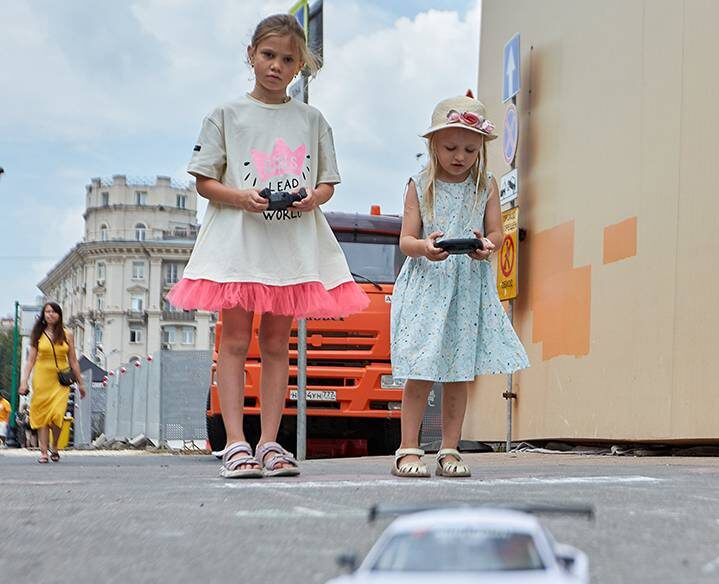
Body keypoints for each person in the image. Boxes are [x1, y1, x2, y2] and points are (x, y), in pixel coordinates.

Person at [166, 14, 367, 479]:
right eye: (268, 55)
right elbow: (204, 181)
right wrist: (242, 197)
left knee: (277, 343)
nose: (276, 65)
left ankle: (271, 443)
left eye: (287, 59)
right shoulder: (225, 115)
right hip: (240, 243)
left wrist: (311, 199)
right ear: (251, 55)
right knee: (234, 341)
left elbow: (326, 184)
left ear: (301, 66)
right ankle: (236, 443)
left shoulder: (312, 120)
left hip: (290, 245)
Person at [389, 93, 530, 478]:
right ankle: (408, 449)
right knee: (420, 368)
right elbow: (406, 240)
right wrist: (425, 247)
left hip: (467, 288)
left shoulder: (486, 185)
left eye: (470, 148)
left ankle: (449, 448)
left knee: (458, 372)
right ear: (433, 145)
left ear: (481, 149)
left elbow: (497, 232)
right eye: (450, 147)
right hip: (427, 287)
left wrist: (486, 246)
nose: (460, 156)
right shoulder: (419, 185)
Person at [17, 302, 86, 463]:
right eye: (47, 312)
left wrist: (81, 383)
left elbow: (74, 361)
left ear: (59, 315)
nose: (50, 314)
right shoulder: (37, 334)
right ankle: (43, 452)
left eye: (54, 312)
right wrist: (24, 381)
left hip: (61, 379)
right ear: (43, 315)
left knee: (57, 414)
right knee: (43, 416)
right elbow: (30, 361)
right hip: (42, 379)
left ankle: (54, 446)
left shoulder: (67, 334)